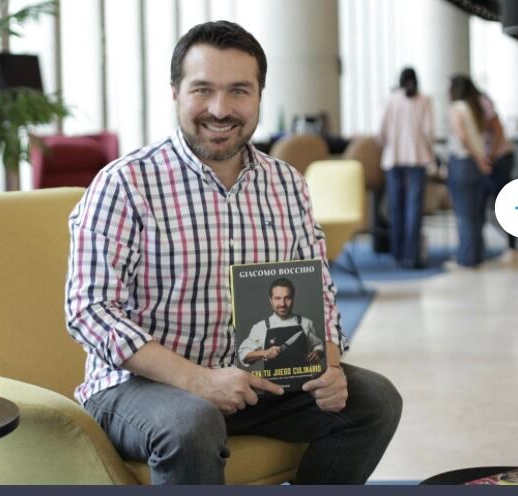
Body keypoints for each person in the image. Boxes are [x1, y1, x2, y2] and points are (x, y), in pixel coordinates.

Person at [65, 21, 402, 485]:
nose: (220, 109)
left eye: (239, 91)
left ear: (260, 95)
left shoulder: (286, 184)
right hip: (141, 388)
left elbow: (318, 291)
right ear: (175, 93)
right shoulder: (125, 183)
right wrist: (199, 381)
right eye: (202, 89)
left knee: (375, 401)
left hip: (256, 379)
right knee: (192, 422)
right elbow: (89, 310)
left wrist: (327, 365)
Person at [379, 67, 434, 269]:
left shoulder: (391, 99)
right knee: (414, 209)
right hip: (417, 159)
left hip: (393, 159)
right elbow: (429, 132)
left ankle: (397, 254)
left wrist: (388, 146)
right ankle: (412, 256)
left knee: (396, 208)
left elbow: (381, 132)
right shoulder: (425, 100)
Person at [447, 74, 491, 268]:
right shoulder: (475, 108)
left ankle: (467, 259)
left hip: (462, 163)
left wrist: (478, 159)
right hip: (475, 166)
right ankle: (477, 255)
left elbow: (463, 137)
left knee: (464, 214)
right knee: (475, 214)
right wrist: (481, 160)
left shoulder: (457, 108)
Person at [477, 88, 518, 265]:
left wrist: (491, 156)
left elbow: (498, 130)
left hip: (500, 159)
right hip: (487, 161)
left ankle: (513, 248)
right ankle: (478, 248)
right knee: (479, 204)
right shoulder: (466, 106)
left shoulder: (481, 102)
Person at [238, 278, 324, 366]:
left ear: (293, 298)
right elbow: (243, 354)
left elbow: (319, 345)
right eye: (277, 298)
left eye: (287, 298)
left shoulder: (306, 323)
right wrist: (264, 353)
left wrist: (318, 352)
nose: (283, 304)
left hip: (304, 375)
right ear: (270, 300)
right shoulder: (260, 327)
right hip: (271, 376)